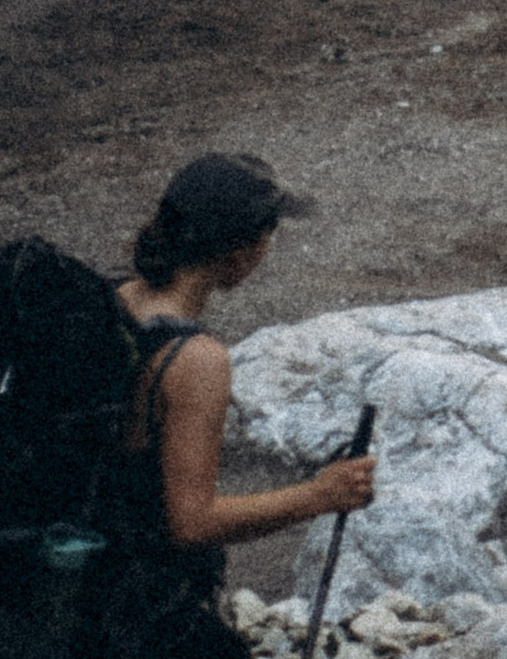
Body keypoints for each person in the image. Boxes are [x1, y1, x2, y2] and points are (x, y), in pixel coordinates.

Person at [88, 155, 375, 659]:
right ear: (242, 255)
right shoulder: (194, 360)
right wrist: (321, 494)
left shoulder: (108, 298)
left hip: (74, 556)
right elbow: (192, 522)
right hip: (124, 599)